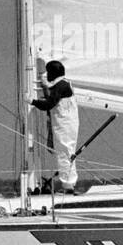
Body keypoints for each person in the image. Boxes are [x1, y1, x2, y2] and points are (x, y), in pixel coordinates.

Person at [31, 60, 79, 194]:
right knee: (66, 152)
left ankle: (68, 186)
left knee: (64, 153)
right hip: (66, 123)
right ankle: (69, 184)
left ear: (52, 73)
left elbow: (49, 104)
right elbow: (52, 88)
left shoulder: (61, 87)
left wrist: (31, 101)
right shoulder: (64, 83)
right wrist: (45, 83)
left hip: (64, 124)